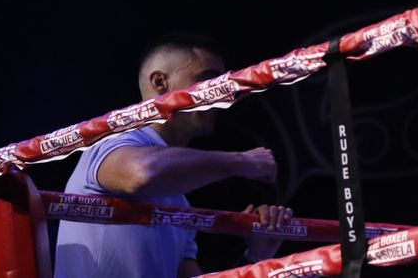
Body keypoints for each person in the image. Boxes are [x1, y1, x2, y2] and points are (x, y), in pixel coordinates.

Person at [55, 32, 293, 277]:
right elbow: (143, 173)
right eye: (208, 82)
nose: (222, 95)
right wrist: (242, 162)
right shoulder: (107, 144)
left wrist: (257, 256)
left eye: (222, 85)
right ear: (160, 83)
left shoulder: (178, 203)